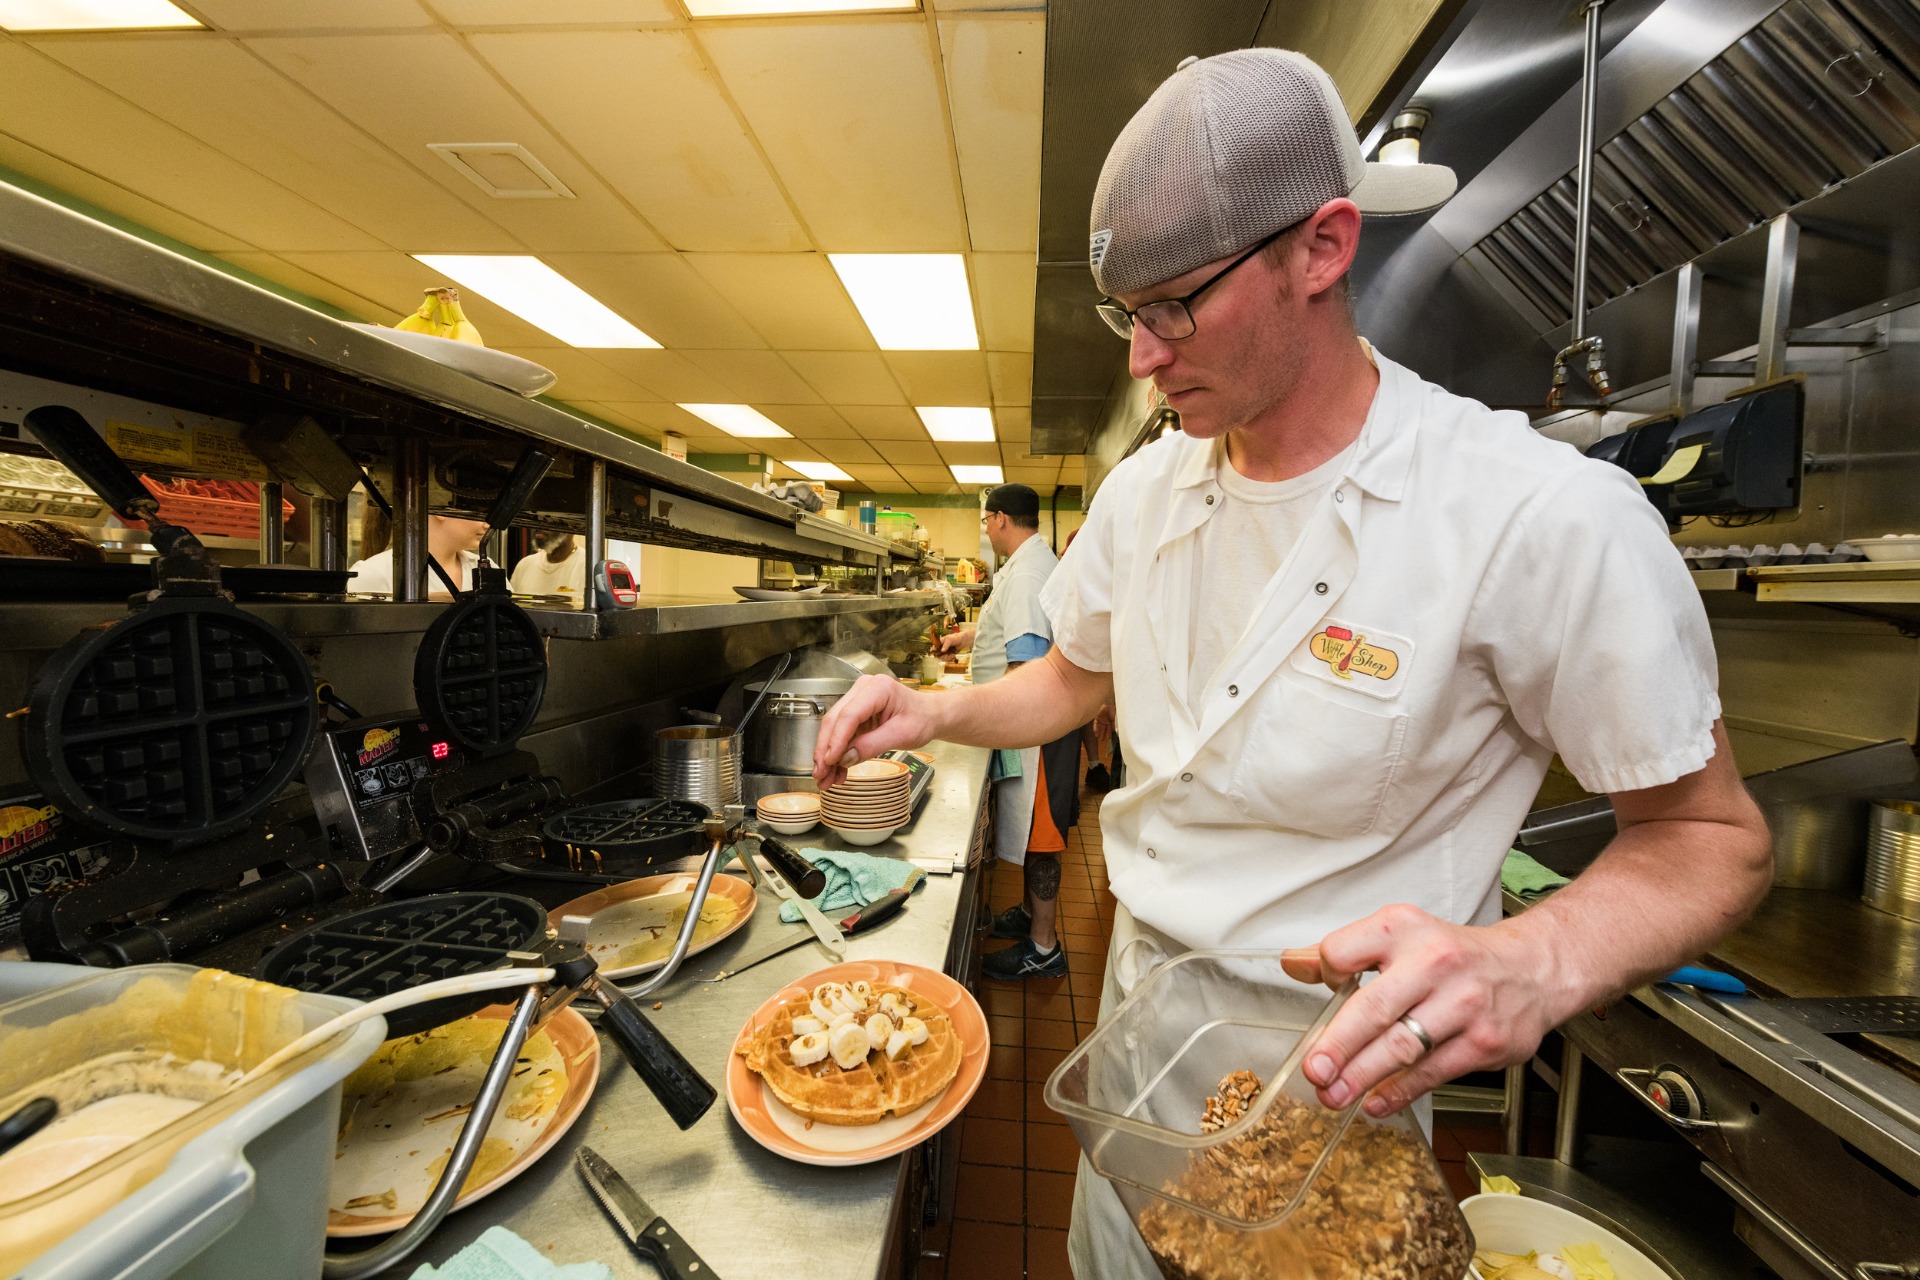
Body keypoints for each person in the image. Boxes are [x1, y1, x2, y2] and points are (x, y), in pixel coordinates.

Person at [814, 47, 1773, 1276]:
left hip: (1337, 1102)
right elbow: (1074, 679)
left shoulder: (1537, 515)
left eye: (1174, 308)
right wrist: (931, 709)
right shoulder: (1144, 493)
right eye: (1126, 313)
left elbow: (1710, 835)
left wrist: (1533, 960)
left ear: (1322, 248)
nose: (1142, 357)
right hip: (1133, 1066)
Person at [933, 484, 1081, 980]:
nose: (987, 528)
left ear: (999, 518)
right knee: (1034, 832)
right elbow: (1011, 627)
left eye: (985, 520)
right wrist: (968, 637)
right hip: (1033, 728)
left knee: (1042, 837)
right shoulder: (1029, 564)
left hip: (1037, 735)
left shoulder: (1028, 573)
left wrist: (971, 712)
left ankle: (1044, 947)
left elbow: (1027, 663)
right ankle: (1028, 916)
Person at [348, 513, 486, 599]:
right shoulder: (373, 574)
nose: (487, 525)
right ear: (442, 512)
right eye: (479, 512)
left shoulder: (487, 567)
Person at [508, 532, 587, 606]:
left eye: (550, 522)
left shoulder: (587, 566)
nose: (540, 526)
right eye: (538, 522)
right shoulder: (525, 564)